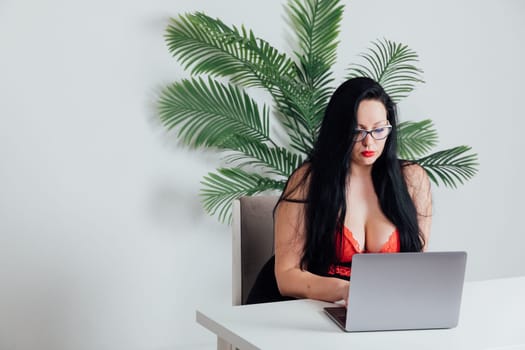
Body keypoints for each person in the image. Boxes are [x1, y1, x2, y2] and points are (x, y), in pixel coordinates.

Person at [246, 77, 432, 305]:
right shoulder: (308, 180)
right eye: (358, 131)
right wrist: (346, 291)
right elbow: (286, 277)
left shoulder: (412, 179)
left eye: (379, 130)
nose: (369, 142)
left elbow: (417, 267)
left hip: (375, 307)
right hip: (306, 306)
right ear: (339, 130)